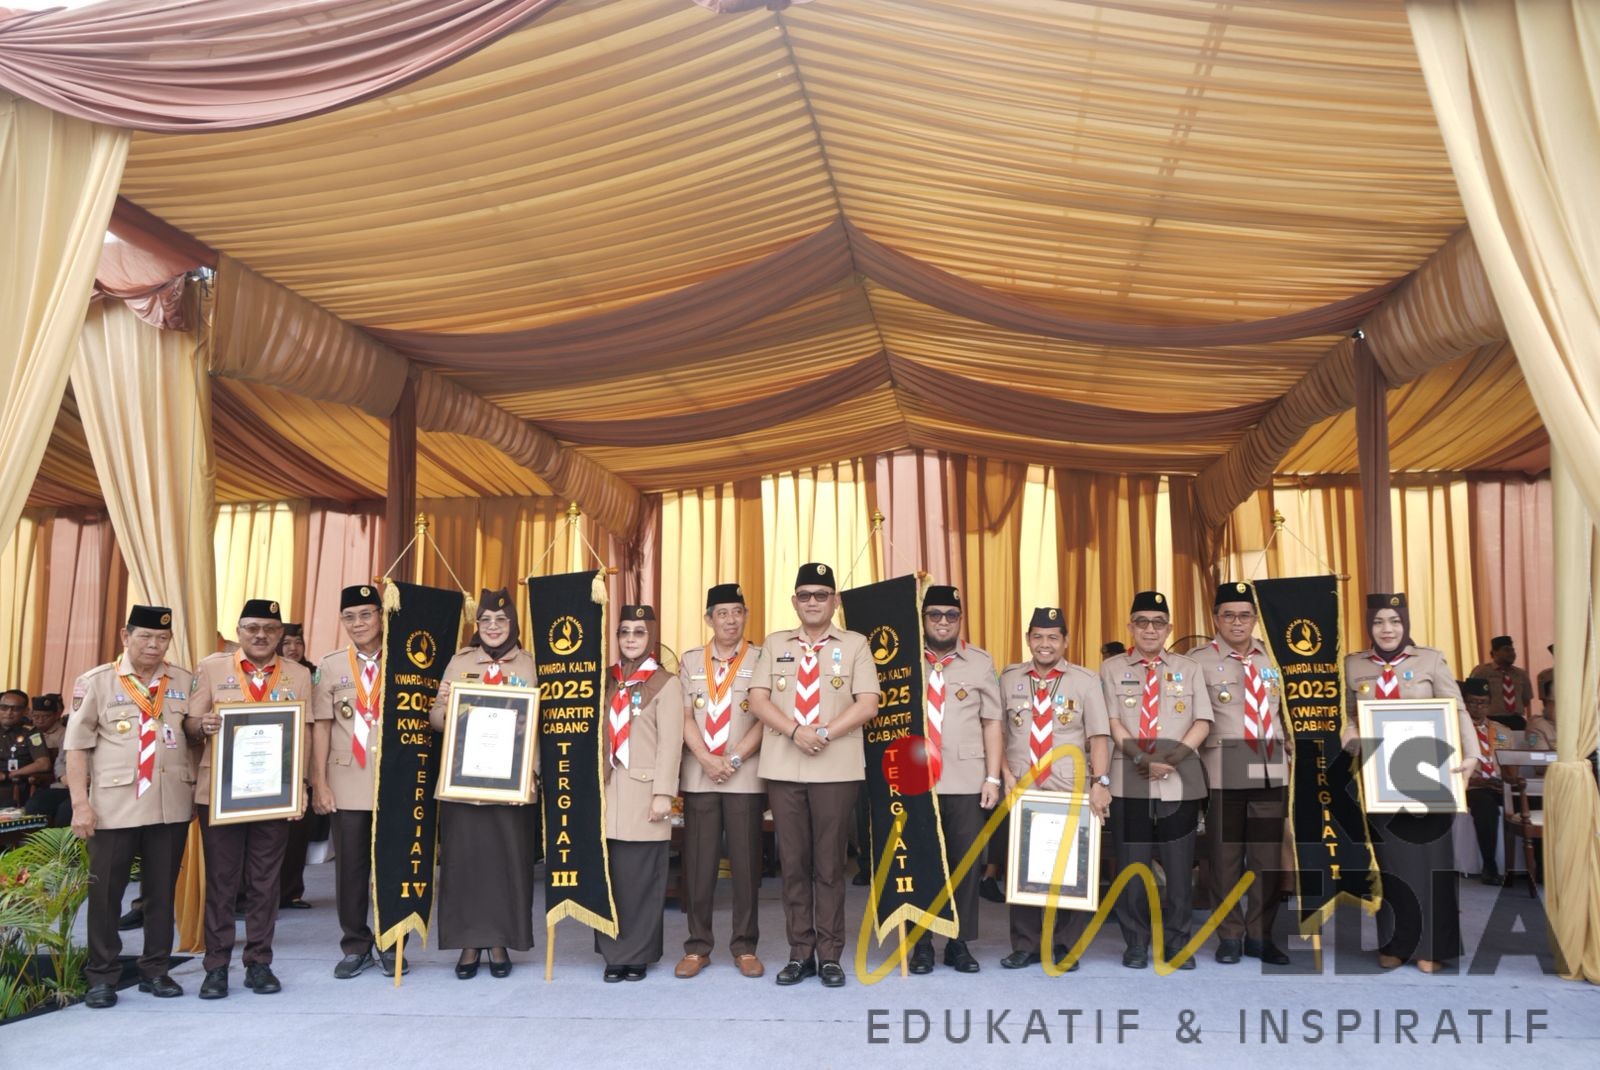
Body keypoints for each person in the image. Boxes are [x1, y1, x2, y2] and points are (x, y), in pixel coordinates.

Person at [748, 562, 880, 988]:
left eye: (821, 595)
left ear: (834, 601)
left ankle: (830, 955)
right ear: (794, 601)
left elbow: (868, 703)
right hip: (784, 766)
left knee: (829, 866)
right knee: (792, 864)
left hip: (835, 767)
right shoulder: (774, 643)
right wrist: (794, 731)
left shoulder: (856, 644)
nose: (812, 602)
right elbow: (757, 700)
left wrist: (822, 732)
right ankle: (799, 952)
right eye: (804, 595)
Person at [64, 606, 194, 1009]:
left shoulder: (183, 681)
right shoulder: (97, 682)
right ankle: (102, 976)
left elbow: (193, 736)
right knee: (106, 894)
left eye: (162, 639)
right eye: (145, 637)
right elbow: (76, 747)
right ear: (126, 636)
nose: (154, 645)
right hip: (114, 806)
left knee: (160, 893)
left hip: (169, 804)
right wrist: (80, 804)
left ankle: (156, 970)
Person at [1344, 592, 1480, 974]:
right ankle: (1395, 944)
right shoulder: (1353, 665)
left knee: (1432, 863)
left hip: (1429, 776)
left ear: (1405, 624)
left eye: (1394, 621)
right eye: (1378, 622)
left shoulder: (1430, 660)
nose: (1386, 629)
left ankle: (1431, 948)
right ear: (1369, 626)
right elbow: (1348, 714)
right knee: (1390, 864)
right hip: (1379, 779)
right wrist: (1349, 734)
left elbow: (1457, 709)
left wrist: (1472, 755)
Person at [186, 598, 314, 999]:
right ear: (239, 631)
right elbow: (189, 722)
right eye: (252, 628)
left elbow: (306, 733)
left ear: (281, 634)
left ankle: (259, 962)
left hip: (275, 793)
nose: (261, 636)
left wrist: (302, 786)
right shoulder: (212, 668)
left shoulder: (298, 674)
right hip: (221, 793)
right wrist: (202, 725)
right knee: (222, 881)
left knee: (265, 881)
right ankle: (216, 966)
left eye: (270, 629)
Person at [1100, 591, 1213, 970]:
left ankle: (1178, 943)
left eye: (1158, 623)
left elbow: (1203, 721)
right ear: (1130, 627)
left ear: (1169, 628)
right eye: (1142, 622)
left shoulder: (1189, 667)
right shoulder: (1111, 668)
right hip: (1129, 777)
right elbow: (1111, 722)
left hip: (1179, 778)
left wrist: (1172, 759)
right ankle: (1135, 942)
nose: (1150, 629)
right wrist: (1141, 757)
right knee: (1132, 865)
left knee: (1179, 866)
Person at [431, 588, 540, 980]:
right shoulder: (460, 662)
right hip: (464, 783)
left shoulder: (530, 664)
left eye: (501, 620)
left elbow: (543, 725)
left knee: (507, 865)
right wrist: (451, 708)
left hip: (512, 786)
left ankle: (499, 941)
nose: (493, 627)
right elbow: (436, 719)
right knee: (464, 864)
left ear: (513, 624)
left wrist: (532, 773)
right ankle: (468, 943)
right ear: (476, 626)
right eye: (486, 621)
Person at [998, 607, 1111, 970]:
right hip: (1023, 788)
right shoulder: (1009, 678)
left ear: (1065, 641)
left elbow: (1098, 737)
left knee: (1071, 870)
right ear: (1028, 639)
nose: (1044, 644)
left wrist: (1101, 782)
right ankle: (1026, 945)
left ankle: (1066, 946)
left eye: (1052, 637)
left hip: (1069, 789)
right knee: (1022, 868)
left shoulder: (1086, 680)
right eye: (1037, 637)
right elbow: (997, 732)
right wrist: (1004, 774)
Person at [1187, 581, 1290, 966]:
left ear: (1255, 619)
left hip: (1270, 764)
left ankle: (1260, 936)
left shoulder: (1274, 657)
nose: (1237, 622)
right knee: (1225, 859)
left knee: (1267, 859)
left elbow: (1287, 712)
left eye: (1245, 615)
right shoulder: (1197, 661)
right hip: (1224, 767)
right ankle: (1229, 935)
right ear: (1216, 619)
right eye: (1228, 615)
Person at [904, 584, 1003, 975]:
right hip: (914, 779)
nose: (942, 622)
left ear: (960, 619)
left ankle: (958, 942)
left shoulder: (979, 662)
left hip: (965, 779)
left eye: (951, 615)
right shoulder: (905, 659)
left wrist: (992, 777)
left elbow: (992, 722)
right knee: (920, 862)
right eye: (934, 614)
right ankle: (921, 943)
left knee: (965, 863)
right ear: (923, 619)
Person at [676, 583, 767, 980]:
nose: (731, 620)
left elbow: (765, 716)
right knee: (699, 864)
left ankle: (745, 946)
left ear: (745, 615)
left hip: (743, 776)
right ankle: (697, 947)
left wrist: (732, 759)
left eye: (737, 612)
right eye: (723, 613)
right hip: (701, 776)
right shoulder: (691, 660)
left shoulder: (761, 658)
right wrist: (705, 759)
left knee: (746, 864)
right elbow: (683, 716)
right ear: (709, 619)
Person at [310, 585, 401, 978]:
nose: (358, 623)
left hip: (394, 780)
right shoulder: (331, 665)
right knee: (350, 868)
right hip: (346, 779)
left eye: (366, 614)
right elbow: (321, 727)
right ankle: (355, 944)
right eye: (350, 617)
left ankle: (391, 942)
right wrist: (319, 782)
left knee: (393, 865)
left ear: (381, 616)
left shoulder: (404, 657)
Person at [597, 604, 683, 981]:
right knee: (610, 877)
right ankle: (613, 954)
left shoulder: (665, 682)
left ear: (651, 637)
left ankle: (638, 955)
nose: (631, 639)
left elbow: (671, 742)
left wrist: (664, 793)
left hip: (645, 793)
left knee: (642, 878)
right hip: (606, 792)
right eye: (624, 632)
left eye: (639, 632)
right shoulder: (605, 679)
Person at [276, 622, 316, 911]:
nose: (293, 648)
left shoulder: (313, 674)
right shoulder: (269, 673)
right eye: (287, 643)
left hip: (303, 762)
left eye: (298, 643)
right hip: (273, 761)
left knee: (298, 832)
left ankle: (291, 892)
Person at [1461, 677, 1509, 885]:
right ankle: (1489, 865)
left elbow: (1511, 764)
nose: (1478, 707)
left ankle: (1538, 867)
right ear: (1464, 702)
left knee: (1531, 802)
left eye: (1483, 702)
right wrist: (1480, 781)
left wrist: (1507, 781)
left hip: (1499, 785)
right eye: (1473, 702)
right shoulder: (1456, 730)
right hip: (1472, 787)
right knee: (1486, 806)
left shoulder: (1502, 731)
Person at [20, 695, 70, 826]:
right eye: (36, 716)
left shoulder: (65, 734)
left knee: (64, 811)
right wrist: (62, 776)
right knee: (34, 805)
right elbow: (60, 762)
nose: (40, 720)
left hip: (59, 782)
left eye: (45, 716)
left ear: (56, 715)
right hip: (56, 782)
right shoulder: (28, 732)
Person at [1470, 635, 1532, 731]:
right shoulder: (1482, 672)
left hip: (1516, 721)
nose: (1511, 653)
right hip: (1491, 720)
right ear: (1494, 653)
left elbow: (1526, 699)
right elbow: (1472, 697)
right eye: (1506, 650)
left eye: (1512, 650)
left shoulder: (1521, 674)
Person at [2, 688, 37, 806]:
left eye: (15, 709)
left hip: (15, 783)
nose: (9, 712)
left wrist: (10, 775)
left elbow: (44, 763)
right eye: (4, 707)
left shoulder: (31, 732)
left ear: (25, 711)